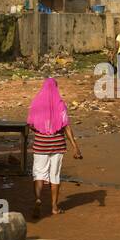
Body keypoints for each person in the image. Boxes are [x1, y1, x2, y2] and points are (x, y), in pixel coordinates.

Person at [26, 78, 82, 219]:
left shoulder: (36, 102)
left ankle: (38, 199)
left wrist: (41, 130)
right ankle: (54, 207)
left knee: (39, 174)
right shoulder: (60, 103)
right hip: (57, 144)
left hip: (40, 144)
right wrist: (75, 147)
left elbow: (31, 124)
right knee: (54, 176)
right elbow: (66, 126)